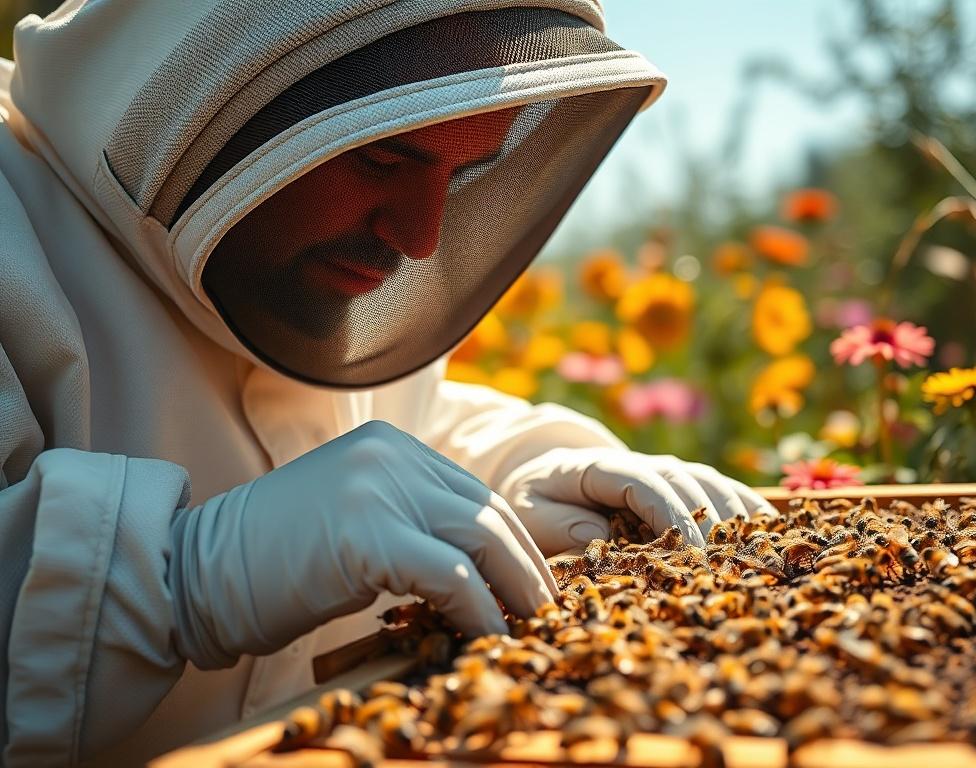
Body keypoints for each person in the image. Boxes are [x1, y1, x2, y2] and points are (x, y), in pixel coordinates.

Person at [0, 1, 771, 765]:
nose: (421, 235)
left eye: (465, 172)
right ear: (218, 91)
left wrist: (515, 470)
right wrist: (184, 580)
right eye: (382, 156)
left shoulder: (305, 267)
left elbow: (412, 422)